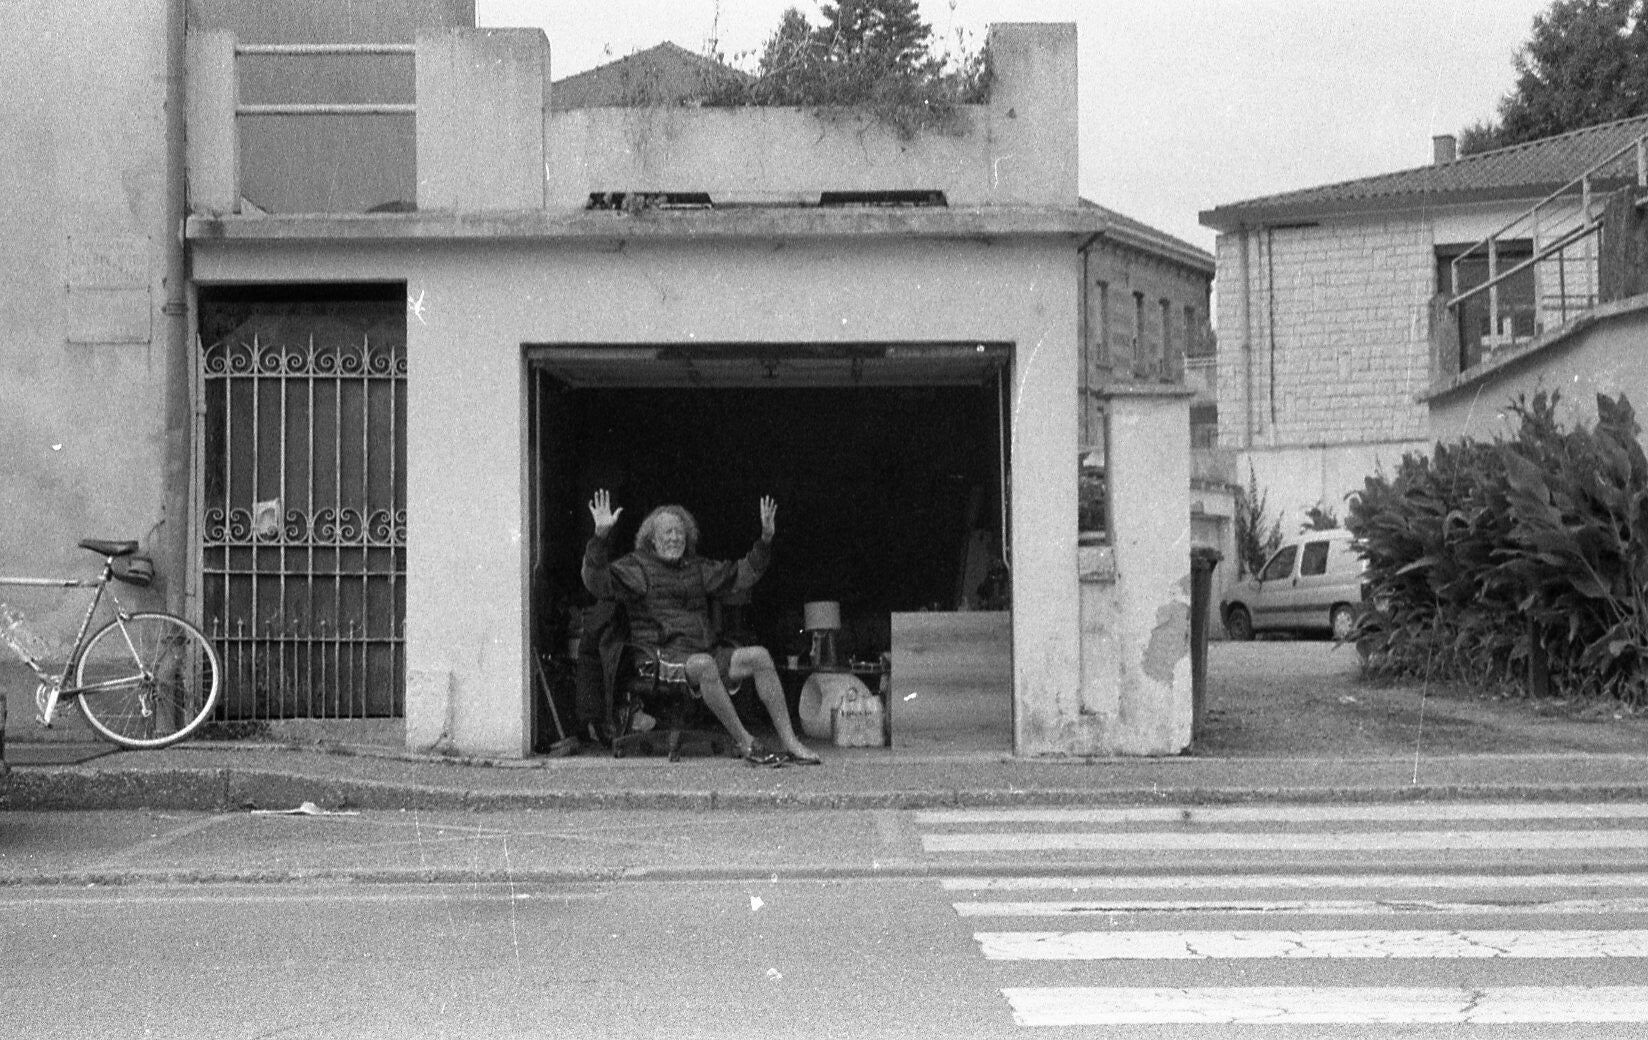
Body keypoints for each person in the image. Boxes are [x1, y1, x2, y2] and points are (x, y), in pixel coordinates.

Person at [581, 489, 821, 767]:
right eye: (668, 533)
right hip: (658, 658)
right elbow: (596, 582)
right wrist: (599, 538)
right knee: (705, 665)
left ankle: (791, 743)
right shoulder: (637, 566)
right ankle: (747, 743)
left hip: (700, 653)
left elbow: (741, 575)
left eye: (680, 533)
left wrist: (765, 541)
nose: (675, 538)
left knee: (760, 656)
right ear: (652, 539)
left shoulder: (696, 567)